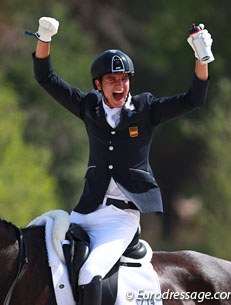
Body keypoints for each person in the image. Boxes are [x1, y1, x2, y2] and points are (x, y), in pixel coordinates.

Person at [30, 17, 213, 305]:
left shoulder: (146, 108)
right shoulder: (88, 106)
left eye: (124, 79)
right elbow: (46, 78)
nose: (120, 85)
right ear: (98, 84)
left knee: (91, 273)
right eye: (113, 80)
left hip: (120, 218)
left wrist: (201, 56)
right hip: (86, 210)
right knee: (47, 266)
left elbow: (193, 99)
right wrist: (45, 38)